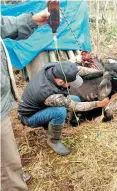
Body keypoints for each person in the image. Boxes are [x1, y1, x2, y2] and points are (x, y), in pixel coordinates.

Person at [1, 9, 50, 191]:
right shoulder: (50, 92)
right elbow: (68, 104)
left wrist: (31, 21)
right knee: (60, 112)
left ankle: (9, 177)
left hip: (7, 107)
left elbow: (2, 24)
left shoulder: (44, 79)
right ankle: (11, 181)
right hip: (27, 118)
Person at [18, 61, 109, 156]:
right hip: (29, 117)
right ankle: (53, 141)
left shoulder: (54, 68)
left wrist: (102, 72)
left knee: (75, 98)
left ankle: (55, 122)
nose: (70, 85)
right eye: (69, 83)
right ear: (60, 82)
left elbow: (77, 70)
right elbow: (75, 105)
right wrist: (99, 104)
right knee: (60, 112)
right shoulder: (48, 93)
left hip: (40, 104)